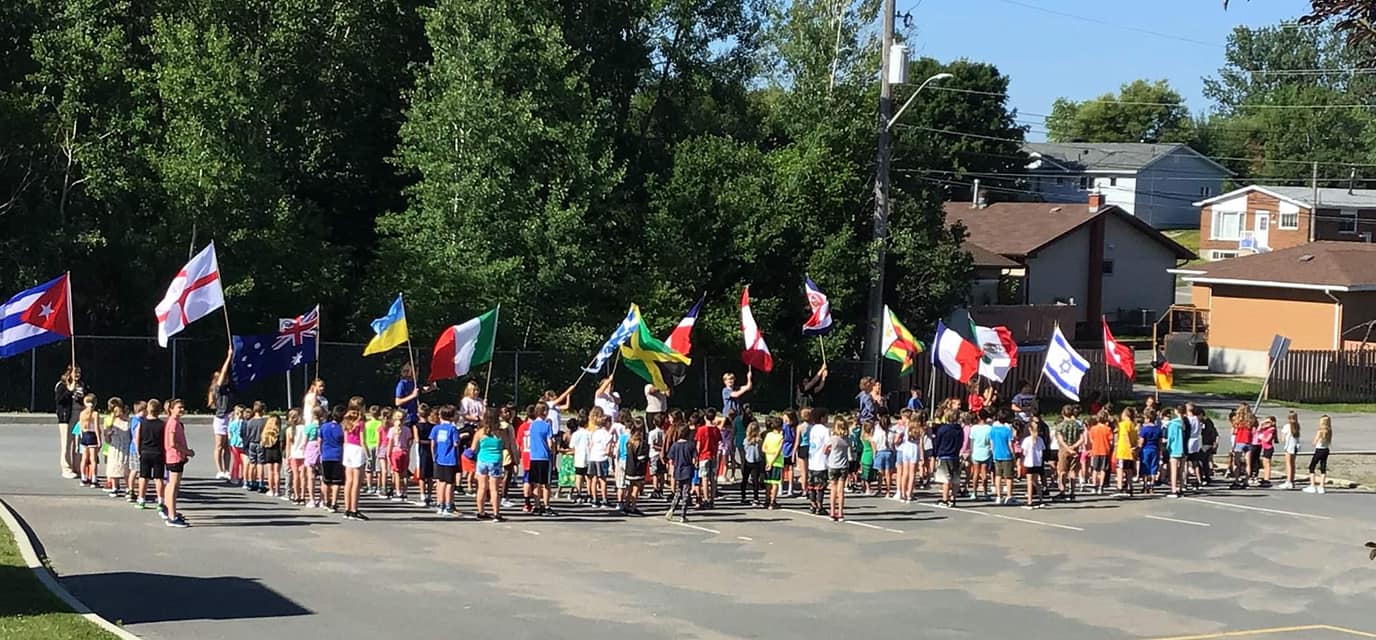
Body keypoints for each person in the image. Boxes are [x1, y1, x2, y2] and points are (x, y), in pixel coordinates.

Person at [54, 365, 91, 479]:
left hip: (79, 415)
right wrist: (70, 390)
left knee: (78, 443)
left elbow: (85, 398)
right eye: (75, 372)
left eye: (79, 373)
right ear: (69, 373)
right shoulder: (61, 385)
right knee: (66, 443)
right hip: (67, 417)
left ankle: (77, 466)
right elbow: (60, 400)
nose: (78, 375)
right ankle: (66, 468)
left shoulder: (82, 384)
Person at [472, 413, 510, 521]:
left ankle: (481, 511)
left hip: (482, 460)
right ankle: (496, 513)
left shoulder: (480, 433)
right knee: (494, 489)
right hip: (495, 460)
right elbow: (506, 445)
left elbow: (473, 448)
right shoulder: (501, 433)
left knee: (482, 487)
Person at [163, 399, 194, 528]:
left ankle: (170, 510)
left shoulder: (175, 422)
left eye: (182, 407)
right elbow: (172, 443)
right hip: (174, 457)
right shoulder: (173, 423)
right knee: (173, 486)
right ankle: (172, 515)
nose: (181, 409)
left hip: (176, 458)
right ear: (171, 409)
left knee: (173, 485)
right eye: (179, 407)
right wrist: (187, 452)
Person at [207, 346, 234, 480]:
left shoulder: (229, 389)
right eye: (224, 378)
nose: (226, 378)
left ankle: (227, 470)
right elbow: (223, 372)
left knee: (227, 446)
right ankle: (220, 470)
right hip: (220, 418)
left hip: (229, 417)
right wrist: (228, 357)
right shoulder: (218, 389)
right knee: (219, 445)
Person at [135, 399, 167, 514]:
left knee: (143, 477)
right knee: (159, 478)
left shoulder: (142, 423)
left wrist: (138, 451)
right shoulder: (162, 424)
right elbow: (165, 440)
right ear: (159, 410)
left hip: (145, 452)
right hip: (158, 453)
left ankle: (141, 499)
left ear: (148, 409)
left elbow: (137, 438)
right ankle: (160, 501)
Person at [526, 403, 557, 516]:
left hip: (534, 457)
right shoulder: (546, 425)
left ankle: (537, 505)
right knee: (546, 484)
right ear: (544, 412)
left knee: (536, 483)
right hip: (544, 457)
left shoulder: (532, 425)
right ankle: (547, 505)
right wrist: (553, 449)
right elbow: (550, 442)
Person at [431, 405, 460, 517]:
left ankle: (440, 504)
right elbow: (456, 443)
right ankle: (448, 505)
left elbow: (433, 444)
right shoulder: (453, 429)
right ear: (452, 417)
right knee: (449, 483)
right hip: (450, 459)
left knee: (440, 482)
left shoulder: (436, 428)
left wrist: (434, 456)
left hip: (439, 458)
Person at [665, 425, 697, 523]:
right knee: (685, 493)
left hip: (678, 470)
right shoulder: (691, 445)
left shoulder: (675, 445)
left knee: (678, 492)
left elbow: (671, 460)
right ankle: (683, 515)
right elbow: (694, 459)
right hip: (687, 470)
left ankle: (671, 509)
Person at [934, 409, 964, 508]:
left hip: (944, 455)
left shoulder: (943, 429)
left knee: (945, 479)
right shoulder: (959, 429)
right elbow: (961, 442)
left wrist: (936, 453)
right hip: (955, 455)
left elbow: (938, 441)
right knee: (955, 478)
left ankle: (945, 499)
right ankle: (953, 498)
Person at [823, 417, 852, 522]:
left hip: (833, 465)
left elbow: (825, 450)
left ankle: (832, 511)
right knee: (841, 490)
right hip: (844, 465)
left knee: (833, 489)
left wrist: (829, 450)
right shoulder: (847, 439)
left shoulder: (833, 439)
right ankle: (840, 512)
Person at [319, 406, 346, 513]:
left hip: (326, 456)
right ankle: (334, 503)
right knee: (336, 482)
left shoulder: (324, 427)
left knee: (326, 481)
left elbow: (319, 441)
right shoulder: (341, 428)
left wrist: (321, 453)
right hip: (338, 456)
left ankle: (327, 501)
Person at [102, 398, 131, 497]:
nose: (117, 412)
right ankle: (115, 487)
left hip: (125, 447)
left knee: (126, 468)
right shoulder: (111, 422)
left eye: (119, 410)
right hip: (115, 447)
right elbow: (106, 438)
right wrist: (108, 434)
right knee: (114, 467)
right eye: (115, 410)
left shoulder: (127, 421)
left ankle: (128, 488)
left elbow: (131, 435)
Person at [695, 409, 722, 508]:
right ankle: (712, 499)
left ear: (705, 417)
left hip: (703, 456)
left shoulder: (701, 430)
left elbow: (698, 445)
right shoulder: (716, 429)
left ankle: (706, 498)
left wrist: (696, 457)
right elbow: (719, 442)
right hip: (713, 455)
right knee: (713, 478)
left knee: (704, 478)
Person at [621, 420, 649, 516]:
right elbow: (642, 457)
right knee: (636, 487)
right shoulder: (641, 443)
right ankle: (633, 507)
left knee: (629, 487)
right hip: (638, 469)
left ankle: (626, 505)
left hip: (629, 468)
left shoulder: (629, 442)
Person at [806, 409, 831, 515]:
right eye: (826, 416)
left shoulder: (813, 429)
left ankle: (812, 504)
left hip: (812, 461)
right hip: (821, 461)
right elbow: (828, 444)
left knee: (812, 485)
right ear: (822, 418)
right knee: (820, 486)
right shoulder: (825, 430)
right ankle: (819, 506)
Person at [990, 409, 1017, 505]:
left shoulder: (993, 429)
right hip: (1006, 455)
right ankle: (1009, 495)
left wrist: (993, 452)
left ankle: (998, 496)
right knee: (1008, 477)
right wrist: (1013, 454)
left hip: (997, 454)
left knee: (998, 476)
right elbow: (1010, 444)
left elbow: (992, 443)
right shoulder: (1007, 430)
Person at [75, 395, 101, 487]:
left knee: (84, 458)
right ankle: (93, 479)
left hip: (84, 436)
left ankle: (83, 478)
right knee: (93, 459)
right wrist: (99, 440)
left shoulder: (82, 413)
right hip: (92, 435)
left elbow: (81, 427)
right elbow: (96, 428)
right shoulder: (95, 414)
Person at [386, 410, 412, 502]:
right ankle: (405, 491)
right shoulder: (407, 430)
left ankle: (398, 491)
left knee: (396, 473)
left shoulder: (392, 430)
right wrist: (408, 452)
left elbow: (390, 443)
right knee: (404, 473)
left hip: (395, 452)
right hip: (404, 452)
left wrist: (388, 455)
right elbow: (409, 443)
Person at [1114, 408, 1139, 498]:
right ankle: (1130, 486)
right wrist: (1135, 447)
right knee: (1129, 470)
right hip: (1130, 452)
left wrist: (1129, 445)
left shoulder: (1123, 424)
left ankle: (1120, 486)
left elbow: (1125, 435)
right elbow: (1136, 437)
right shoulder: (1133, 425)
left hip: (1123, 450)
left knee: (1120, 469)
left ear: (1125, 415)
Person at [242, 402, 267, 493]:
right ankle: (261, 483)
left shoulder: (250, 421)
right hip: (260, 442)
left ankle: (251, 482)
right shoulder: (264, 421)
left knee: (252, 463)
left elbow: (247, 434)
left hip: (251, 443)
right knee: (260, 464)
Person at [968, 412, 993, 501]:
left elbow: (971, 441)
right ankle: (985, 492)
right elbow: (991, 441)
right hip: (986, 451)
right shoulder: (990, 428)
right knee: (984, 473)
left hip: (976, 451)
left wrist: (971, 451)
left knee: (975, 473)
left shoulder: (974, 428)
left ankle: (974, 492)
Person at [1304, 415, 1331, 494]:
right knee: (1323, 467)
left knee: (1312, 467)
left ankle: (1312, 485)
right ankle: (1321, 486)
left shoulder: (1320, 431)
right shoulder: (1329, 431)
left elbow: (1315, 441)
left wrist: (1314, 442)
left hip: (1319, 450)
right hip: (1326, 450)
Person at [761, 416, 784, 510]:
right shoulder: (781, 437)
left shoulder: (768, 435)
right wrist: (772, 460)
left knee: (768, 483)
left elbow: (763, 448)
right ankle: (772, 501)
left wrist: (769, 453)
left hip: (767, 460)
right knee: (775, 483)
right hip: (776, 462)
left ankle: (767, 499)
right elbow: (778, 452)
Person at [1021, 424, 1046, 509]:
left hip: (1029, 462)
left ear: (1030, 429)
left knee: (1029, 482)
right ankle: (1041, 499)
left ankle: (1029, 501)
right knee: (1036, 481)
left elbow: (1024, 452)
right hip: (1038, 462)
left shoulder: (1027, 440)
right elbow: (1042, 449)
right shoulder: (1040, 439)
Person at [1138, 409, 1163, 495]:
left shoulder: (1144, 429)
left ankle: (1145, 486)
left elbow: (1141, 442)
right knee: (1153, 468)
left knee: (1145, 468)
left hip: (1145, 450)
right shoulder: (1158, 429)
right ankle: (1152, 485)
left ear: (1148, 418)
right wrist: (1160, 451)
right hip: (1155, 449)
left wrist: (1138, 449)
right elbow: (1160, 442)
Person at [740, 419, 764, 506]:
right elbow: (761, 452)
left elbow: (744, 450)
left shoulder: (746, 440)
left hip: (747, 461)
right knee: (755, 481)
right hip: (756, 462)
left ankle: (743, 496)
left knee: (745, 480)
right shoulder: (759, 441)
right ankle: (756, 498)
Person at [1087, 416, 1113, 495]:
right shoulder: (1108, 429)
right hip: (1105, 451)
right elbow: (1111, 441)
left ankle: (1094, 486)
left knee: (1095, 469)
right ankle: (1101, 487)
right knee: (1103, 469)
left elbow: (1091, 440)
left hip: (1095, 450)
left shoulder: (1093, 429)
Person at [304, 407, 324, 508]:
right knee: (322, 475)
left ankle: (312, 499)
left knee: (310, 475)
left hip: (311, 447)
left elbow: (305, 441)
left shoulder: (310, 427)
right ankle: (321, 499)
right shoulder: (323, 426)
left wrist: (304, 450)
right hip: (322, 447)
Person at [1165, 407, 1187, 498]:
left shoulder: (1173, 424)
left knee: (1174, 470)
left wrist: (1168, 446)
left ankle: (1174, 489)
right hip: (1183, 448)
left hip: (1175, 448)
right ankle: (1181, 487)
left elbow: (1171, 437)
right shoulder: (1184, 423)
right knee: (1181, 470)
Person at [287, 408, 308, 504]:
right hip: (303, 454)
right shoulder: (305, 428)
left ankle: (296, 495)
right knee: (303, 476)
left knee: (295, 476)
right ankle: (303, 496)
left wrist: (288, 457)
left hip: (294, 454)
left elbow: (288, 445)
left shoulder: (289, 430)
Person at [125, 401, 145, 503]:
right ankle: (131, 490)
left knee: (134, 470)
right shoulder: (139, 421)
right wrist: (138, 451)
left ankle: (131, 489)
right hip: (136, 449)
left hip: (133, 448)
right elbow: (137, 437)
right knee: (135, 470)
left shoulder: (134, 420)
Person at [261, 414, 284, 499]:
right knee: (277, 472)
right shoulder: (279, 432)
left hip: (268, 452)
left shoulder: (265, 432)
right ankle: (277, 490)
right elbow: (281, 443)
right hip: (277, 452)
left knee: (270, 472)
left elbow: (263, 443)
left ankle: (271, 490)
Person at [1281, 411, 1301, 490]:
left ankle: (1288, 481)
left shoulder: (1287, 426)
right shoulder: (1297, 426)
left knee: (1288, 464)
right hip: (1296, 446)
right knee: (1292, 464)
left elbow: (1283, 438)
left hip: (1289, 446)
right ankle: (1292, 480)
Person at [1256, 415, 1277, 488]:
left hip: (1269, 448)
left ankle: (1267, 479)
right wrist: (1262, 423)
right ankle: (1265, 478)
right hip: (1265, 448)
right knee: (1264, 464)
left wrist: (1262, 438)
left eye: (1268, 422)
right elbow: (1258, 430)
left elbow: (1268, 439)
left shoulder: (1272, 429)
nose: (1267, 423)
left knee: (1267, 464)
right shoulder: (1266, 428)